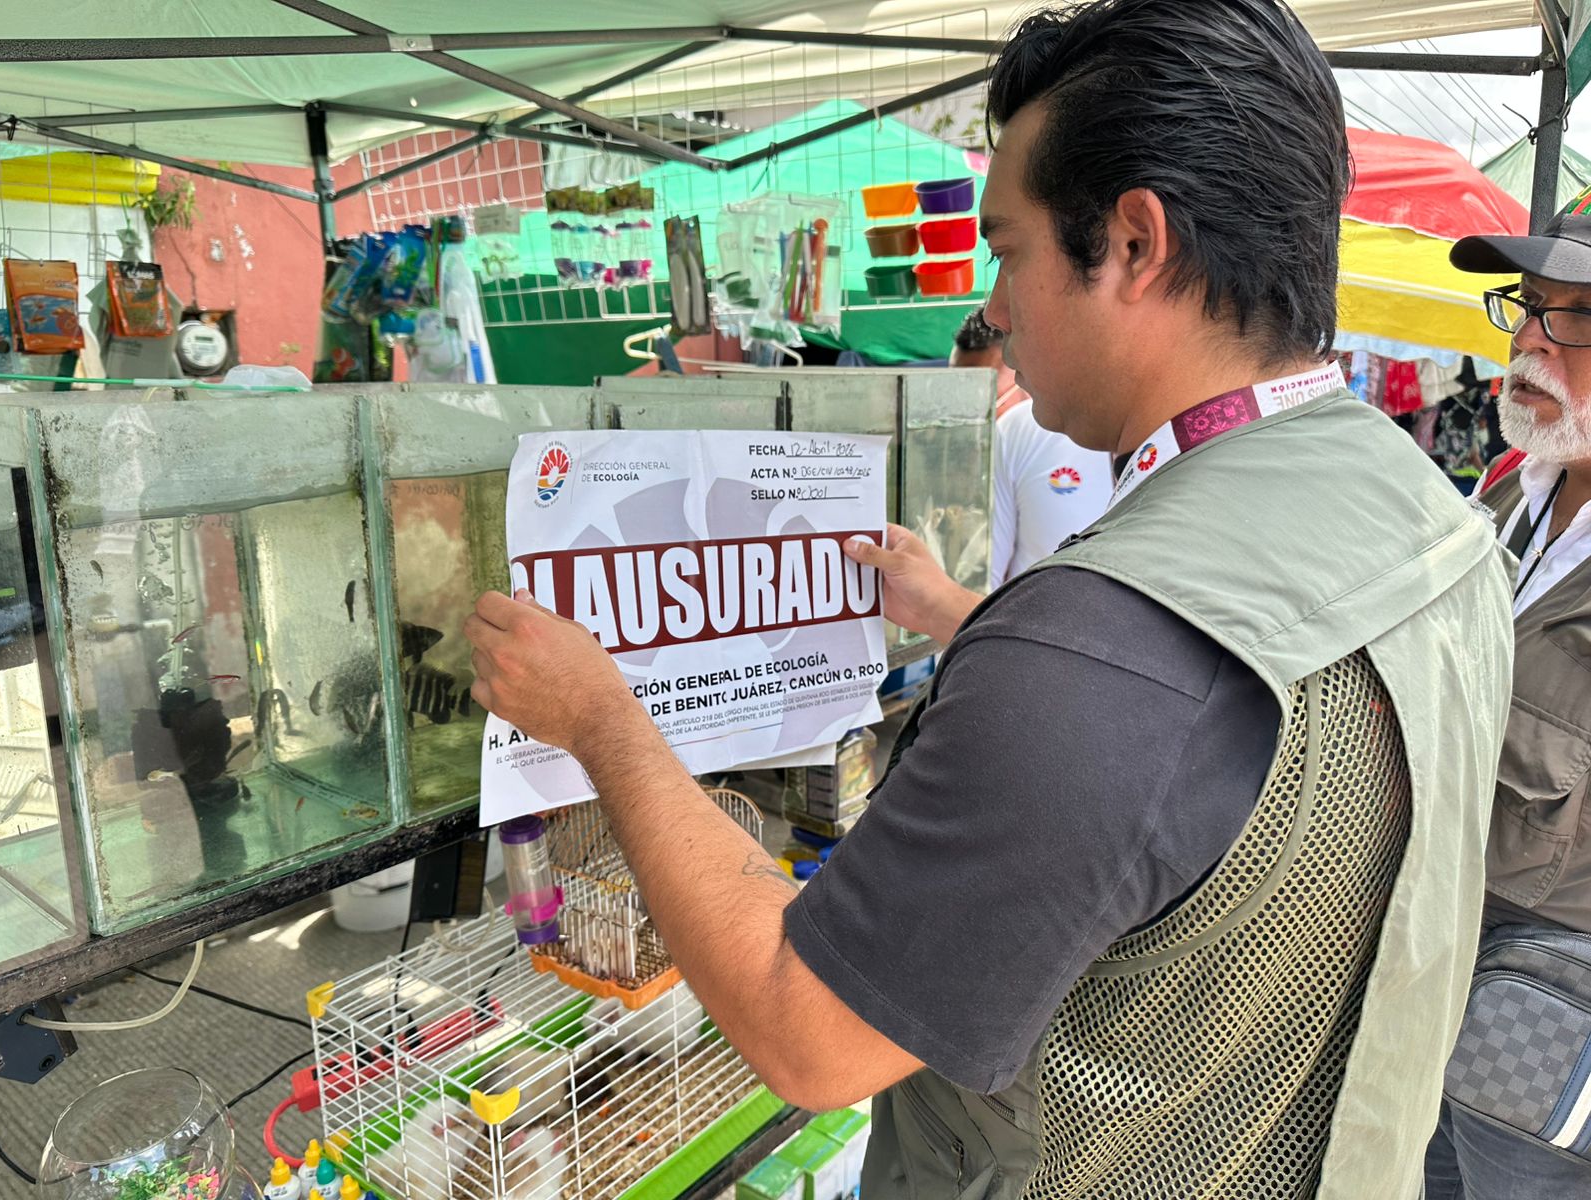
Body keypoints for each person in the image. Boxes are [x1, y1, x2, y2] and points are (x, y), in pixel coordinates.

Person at [466, 2, 1513, 1196]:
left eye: (1008, 252)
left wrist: (601, 718)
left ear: (1133, 243)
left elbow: (808, 1034)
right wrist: (959, 614)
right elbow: (1189, 755)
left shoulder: (1095, 645)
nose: (996, 309)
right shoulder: (1434, 520)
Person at [1425, 189, 1591, 1197]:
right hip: (1433, 1000)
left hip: (1549, 1046)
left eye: (1576, 316)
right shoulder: (1509, 492)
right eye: (1528, 307)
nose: (1529, 341)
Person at [949, 306, 1111, 586]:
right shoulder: (957, 457)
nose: (970, 418)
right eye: (957, 399)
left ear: (1025, 378)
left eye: (984, 398)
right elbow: (978, 581)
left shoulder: (1022, 433)